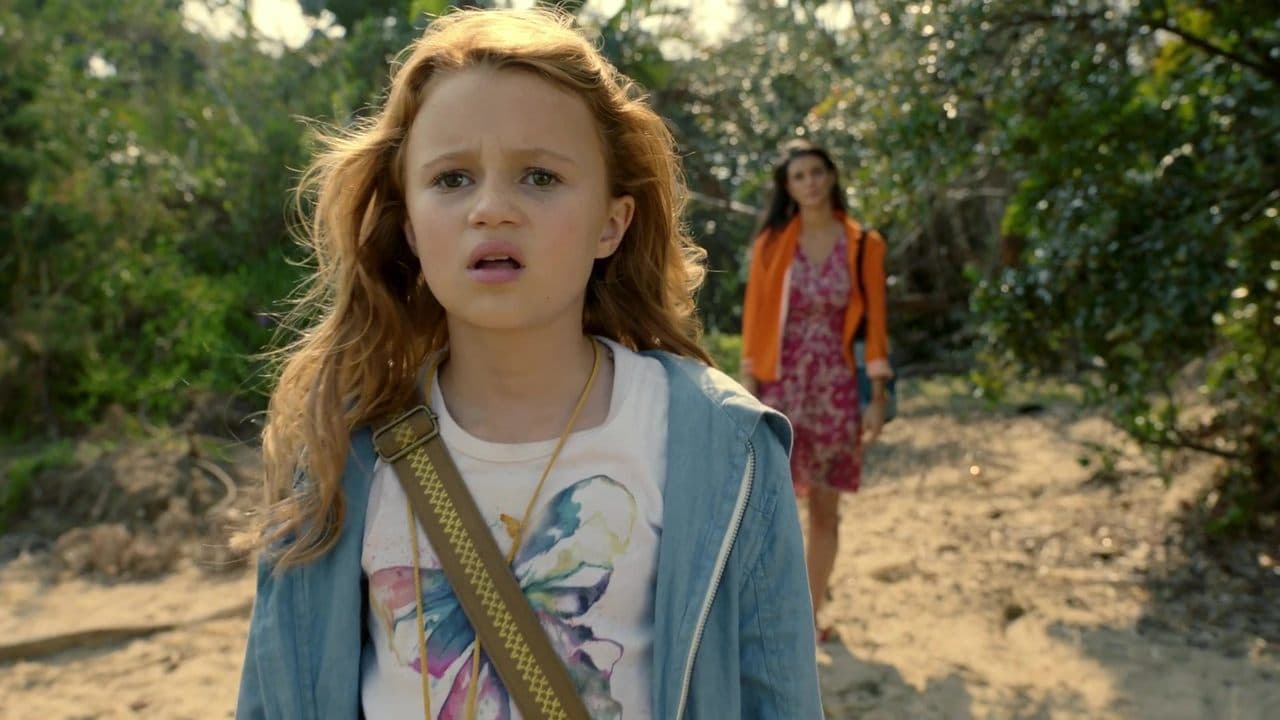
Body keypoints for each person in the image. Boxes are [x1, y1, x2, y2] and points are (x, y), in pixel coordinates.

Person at [235, 8, 821, 720]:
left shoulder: (723, 447)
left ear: (612, 223)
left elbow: (777, 698)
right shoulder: (339, 448)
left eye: (540, 176)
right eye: (452, 178)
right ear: (411, 227)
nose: (491, 208)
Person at [740, 139, 893, 643]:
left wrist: (877, 396)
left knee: (826, 510)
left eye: (816, 172)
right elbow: (755, 318)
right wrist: (749, 387)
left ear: (831, 176)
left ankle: (807, 619)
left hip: (836, 390)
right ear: (788, 188)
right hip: (780, 388)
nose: (810, 183)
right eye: (799, 176)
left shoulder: (863, 244)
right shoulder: (771, 245)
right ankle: (769, 616)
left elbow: (876, 324)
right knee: (771, 507)